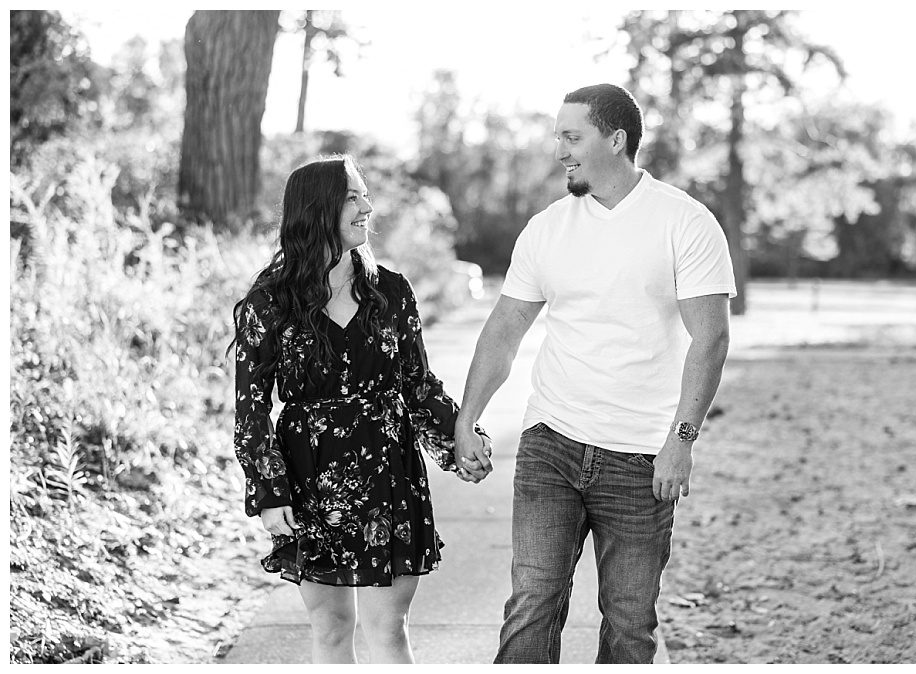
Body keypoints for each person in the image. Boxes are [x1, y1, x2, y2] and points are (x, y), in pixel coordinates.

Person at [452, 84, 737, 664]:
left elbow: (711, 338)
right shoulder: (548, 228)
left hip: (642, 459)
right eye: (558, 136)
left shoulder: (685, 222)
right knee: (532, 602)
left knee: (630, 623)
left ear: (616, 139)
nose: (560, 150)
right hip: (550, 443)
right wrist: (467, 419)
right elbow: (504, 330)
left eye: (572, 136)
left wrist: (681, 442)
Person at [229, 156, 489, 664]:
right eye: (353, 196)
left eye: (364, 195)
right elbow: (251, 408)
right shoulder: (270, 302)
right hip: (311, 475)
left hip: (388, 470)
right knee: (330, 628)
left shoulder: (391, 291)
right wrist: (268, 489)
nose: (367, 206)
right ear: (317, 208)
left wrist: (462, 438)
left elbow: (417, 385)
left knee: (388, 628)